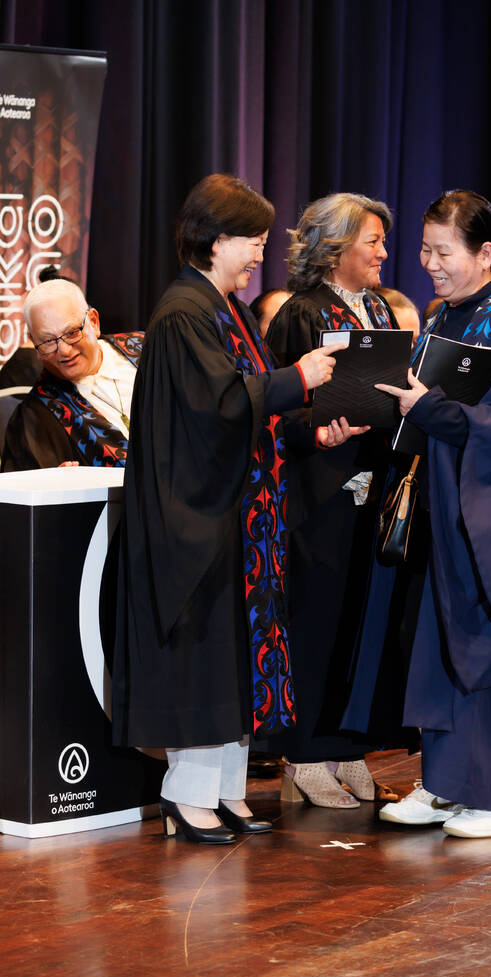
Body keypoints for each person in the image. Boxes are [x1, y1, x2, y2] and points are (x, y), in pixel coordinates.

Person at [112, 174, 345, 844]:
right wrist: (299, 376)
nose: (259, 257)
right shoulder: (184, 311)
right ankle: (184, 797)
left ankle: (223, 791)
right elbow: (217, 405)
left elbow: (254, 407)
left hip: (238, 516)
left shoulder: (225, 308)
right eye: (253, 242)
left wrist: (309, 428)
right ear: (216, 240)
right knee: (203, 658)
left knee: (234, 659)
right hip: (198, 517)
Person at [350, 190, 491, 839]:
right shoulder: (447, 315)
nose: (429, 263)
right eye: (424, 249)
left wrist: (429, 409)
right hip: (448, 510)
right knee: (442, 645)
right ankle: (446, 782)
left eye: (443, 251)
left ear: (485, 253)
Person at [265, 192, 402, 808]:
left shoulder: (374, 306)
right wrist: (318, 433)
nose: (382, 251)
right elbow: (277, 411)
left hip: (369, 484)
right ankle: (304, 755)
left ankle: (347, 746)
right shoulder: (300, 313)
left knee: (358, 616)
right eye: (372, 240)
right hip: (317, 493)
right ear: (336, 246)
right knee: (316, 620)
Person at [1, 278, 142, 471]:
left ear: (94, 322)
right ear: (34, 343)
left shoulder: (148, 349)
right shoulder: (33, 421)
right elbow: (24, 493)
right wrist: (54, 490)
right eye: (48, 341)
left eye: (72, 333)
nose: (64, 351)